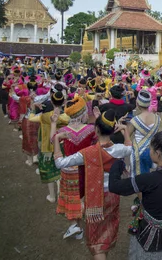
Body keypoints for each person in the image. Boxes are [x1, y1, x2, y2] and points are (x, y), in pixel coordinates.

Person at [54, 109, 133, 260]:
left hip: (95, 197)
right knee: (108, 229)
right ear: (112, 130)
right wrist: (124, 130)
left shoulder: (87, 153)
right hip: (113, 195)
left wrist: (57, 138)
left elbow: (60, 163)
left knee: (96, 239)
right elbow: (130, 148)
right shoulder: (119, 149)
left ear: (96, 130)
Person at [108, 128, 162, 259]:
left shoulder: (148, 180)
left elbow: (115, 186)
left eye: (151, 149)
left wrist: (117, 163)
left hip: (148, 237)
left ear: (158, 153)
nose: (149, 152)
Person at [55, 96, 96, 240]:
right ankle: (83, 223)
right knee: (85, 195)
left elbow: (51, 140)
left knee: (73, 198)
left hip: (69, 169)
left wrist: (54, 125)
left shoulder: (63, 130)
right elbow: (99, 140)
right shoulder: (91, 129)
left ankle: (75, 225)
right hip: (87, 167)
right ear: (83, 113)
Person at [28, 85, 70, 203]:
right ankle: (60, 191)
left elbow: (31, 118)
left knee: (49, 171)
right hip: (61, 146)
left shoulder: (45, 116)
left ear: (51, 100)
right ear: (63, 102)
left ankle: (52, 196)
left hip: (47, 146)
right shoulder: (66, 117)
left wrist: (33, 106)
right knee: (60, 169)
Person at [128, 90, 161, 177]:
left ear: (137, 103)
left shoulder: (135, 120)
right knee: (148, 177)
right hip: (152, 151)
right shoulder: (158, 119)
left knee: (138, 180)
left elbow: (127, 137)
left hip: (138, 152)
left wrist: (123, 128)